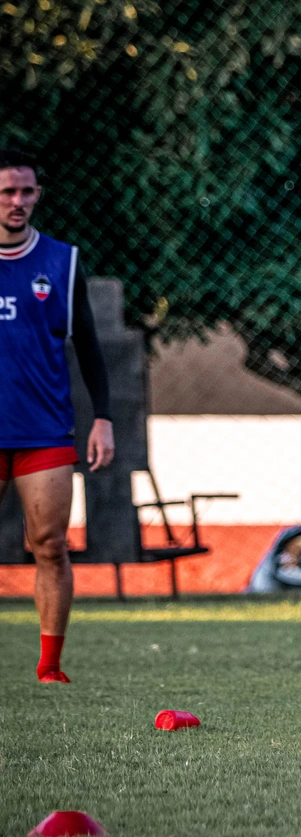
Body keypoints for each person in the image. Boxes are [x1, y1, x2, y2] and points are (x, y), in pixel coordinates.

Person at [0, 149, 115, 682]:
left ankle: (50, 667)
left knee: (48, 544)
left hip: (44, 428)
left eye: (26, 191)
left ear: (37, 195)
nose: (17, 201)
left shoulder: (62, 261)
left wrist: (103, 417)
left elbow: (88, 347)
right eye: (7, 192)